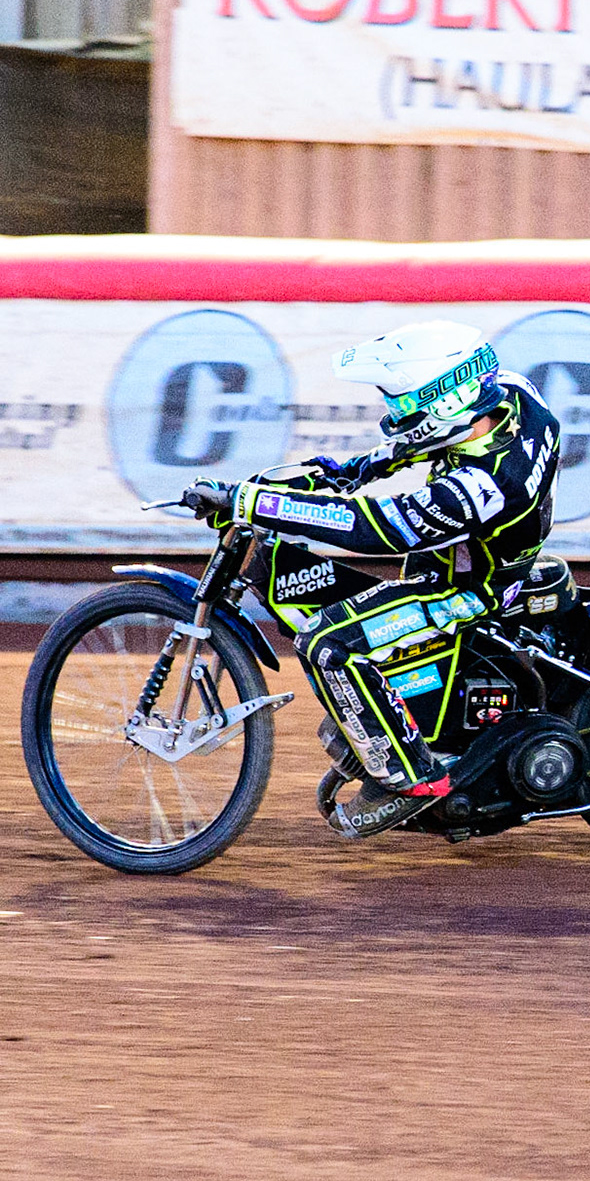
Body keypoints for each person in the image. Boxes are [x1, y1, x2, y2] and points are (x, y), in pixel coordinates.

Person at [182, 321, 561, 838]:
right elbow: (391, 457)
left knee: (327, 641)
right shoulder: (509, 395)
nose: (395, 414)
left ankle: (409, 779)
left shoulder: (486, 484)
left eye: (403, 403)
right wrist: (324, 476)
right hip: (468, 561)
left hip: (471, 591)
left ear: (446, 401)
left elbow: (373, 527)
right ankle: (411, 726)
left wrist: (253, 503)